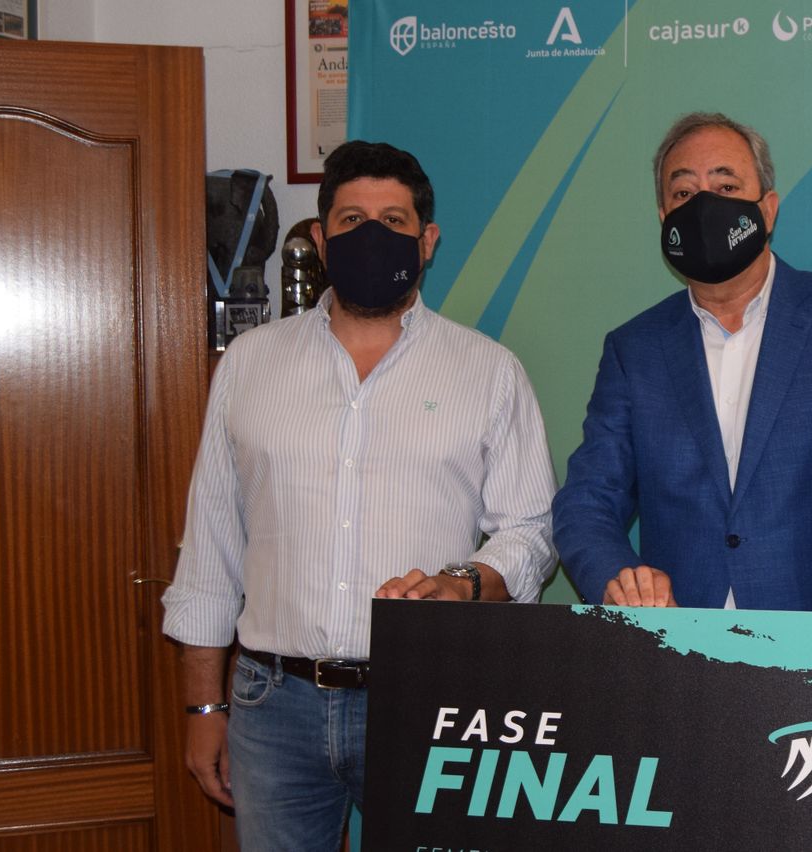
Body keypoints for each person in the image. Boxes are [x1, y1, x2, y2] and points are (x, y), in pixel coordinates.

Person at [162, 141, 557, 850]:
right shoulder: (251, 364)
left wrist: (462, 583)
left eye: (393, 221)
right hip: (271, 707)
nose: (372, 236)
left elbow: (530, 531)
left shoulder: (489, 372)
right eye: (351, 220)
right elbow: (211, 548)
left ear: (427, 241)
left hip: (431, 699)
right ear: (320, 240)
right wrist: (202, 706)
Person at [552, 112, 812, 610]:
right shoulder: (634, 350)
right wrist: (618, 578)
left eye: (726, 186)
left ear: (768, 210)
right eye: (684, 193)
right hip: (680, 640)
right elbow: (587, 501)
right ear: (663, 218)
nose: (704, 206)